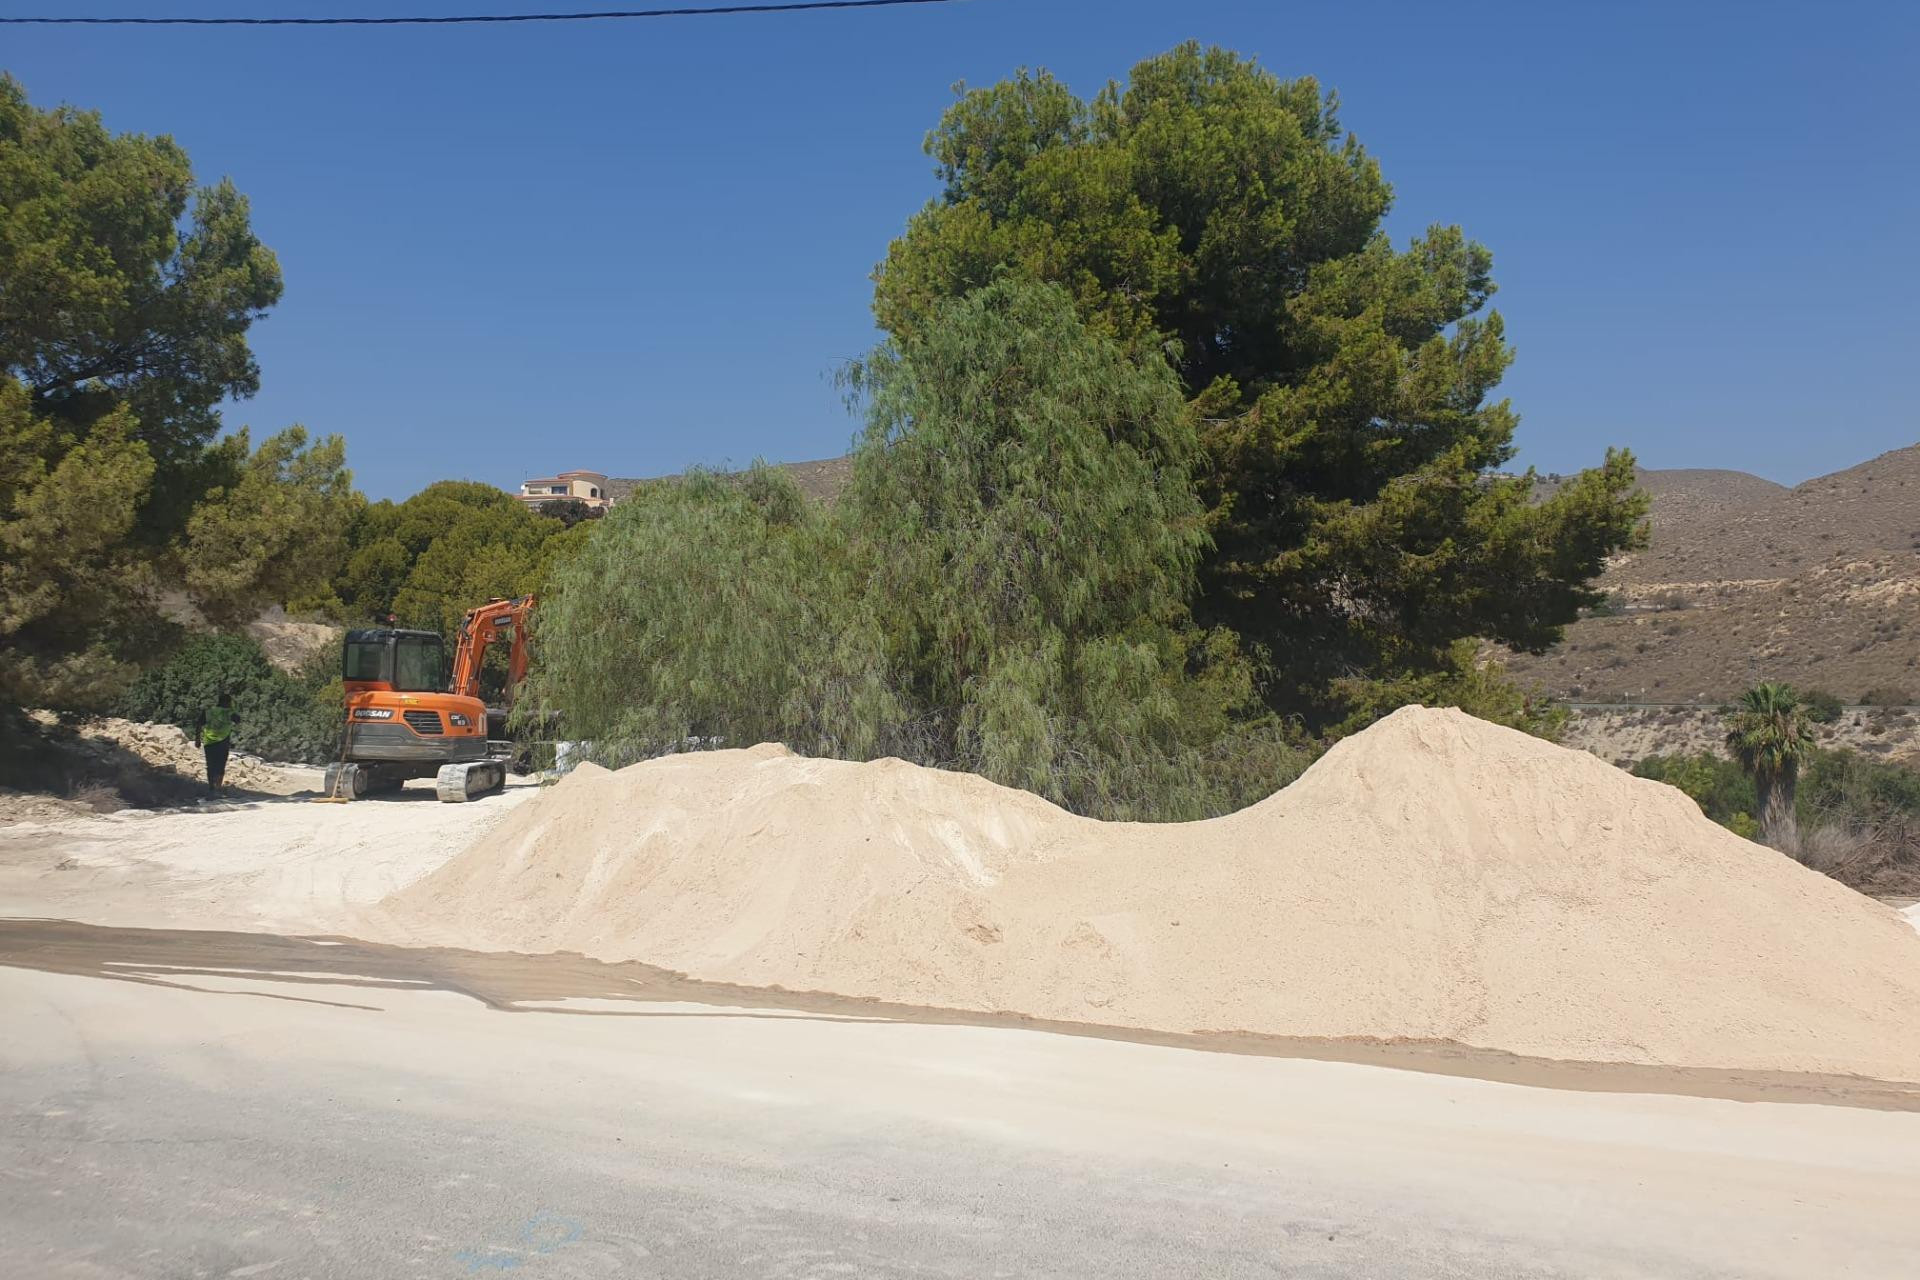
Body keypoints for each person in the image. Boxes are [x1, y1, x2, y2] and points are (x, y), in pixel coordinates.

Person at [195, 692, 239, 796]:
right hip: (223, 741)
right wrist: (232, 710)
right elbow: (238, 720)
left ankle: (211, 788)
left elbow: (198, 724)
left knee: (210, 765)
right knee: (220, 765)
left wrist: (197, 739)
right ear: (228, 702)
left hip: (209, 741)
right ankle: (218, 788)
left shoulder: (209, 711)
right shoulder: (229, 712)